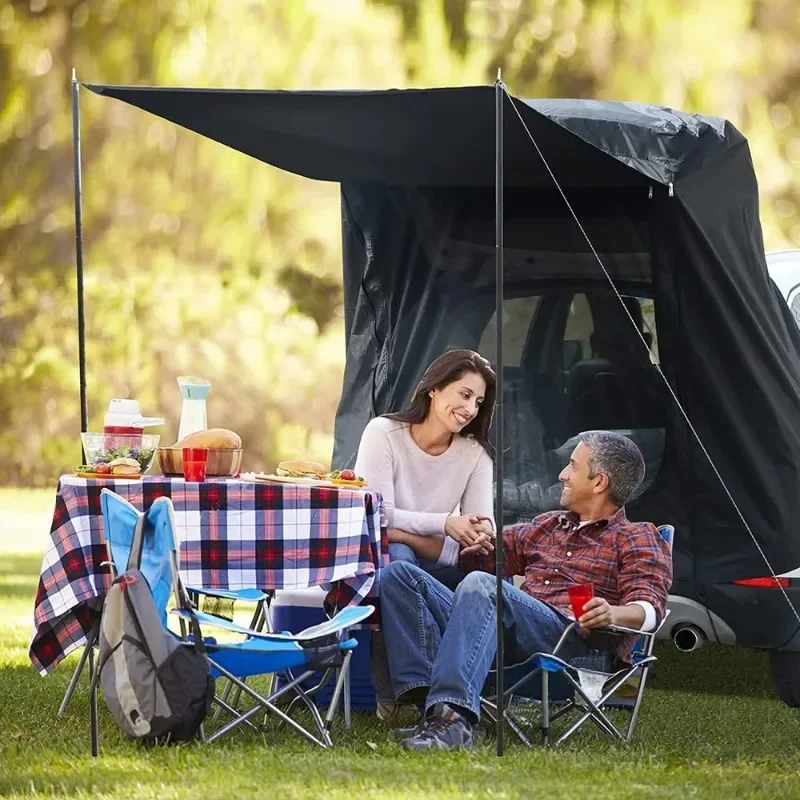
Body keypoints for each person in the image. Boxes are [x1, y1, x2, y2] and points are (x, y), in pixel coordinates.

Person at [381, 429, 672, 750]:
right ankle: (433, 711)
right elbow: (470, 558)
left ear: (599, 482)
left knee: (482, 586)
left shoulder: (636, 537)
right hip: (506, 641)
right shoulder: (548, 525)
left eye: (573, 466)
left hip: (571, 652)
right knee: (400, 576)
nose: (562, 474)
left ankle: (453, 721)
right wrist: (405, 535)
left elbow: (650, 609)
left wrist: (612, 612)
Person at [353, 348, 498, 716]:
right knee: (397, 560)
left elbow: (476, 535)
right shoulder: (384, 433)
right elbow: (376, 515)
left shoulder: (474, 454)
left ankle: (413, 695)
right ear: (434, 388)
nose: (470, 409)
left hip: (435, 562)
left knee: (480, 575)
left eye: (478, 402)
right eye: (464, 395)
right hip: (372, 561)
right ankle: (414, 696)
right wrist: (445, 525)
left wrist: (475, 533)